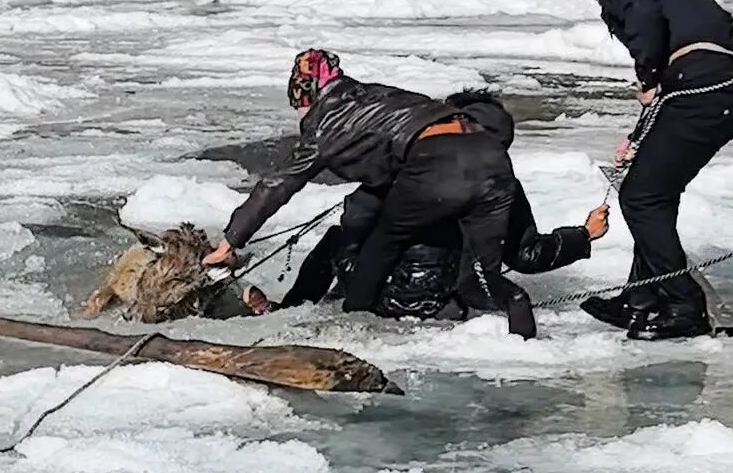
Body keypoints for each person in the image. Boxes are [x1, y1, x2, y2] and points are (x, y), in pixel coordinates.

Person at [203, 50, 535, 335]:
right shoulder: (384, 99)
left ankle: (326, 315)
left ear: (306, 96)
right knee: (464, 271)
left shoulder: (328, 123)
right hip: (472, 203)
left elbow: (278, 184)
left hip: (413, 283)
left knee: (359, 243)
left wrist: (231, 241)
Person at [555, 0, 733, 340]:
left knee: (642, 197)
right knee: (650, 192)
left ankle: (683, 305)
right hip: (709, 88)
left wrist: (647, 77)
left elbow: (645, 22)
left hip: (709, 90)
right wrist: (638, 137)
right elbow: (670, 71)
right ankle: (641, 298)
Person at [244, 89, 610, 321]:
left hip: (378, 290)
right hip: (442, 299)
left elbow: (358, 222)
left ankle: (290, 311)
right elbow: (526, 255)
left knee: (340, 239)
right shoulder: (499, 183)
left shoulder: (412, 162)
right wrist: (583, 235)